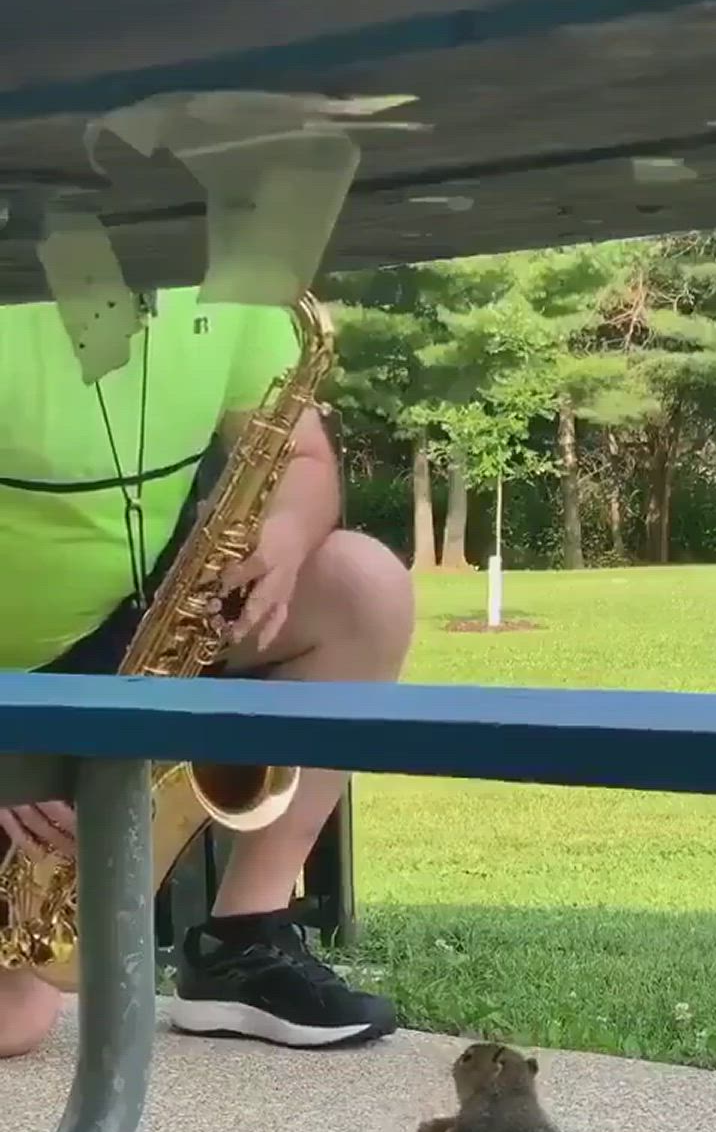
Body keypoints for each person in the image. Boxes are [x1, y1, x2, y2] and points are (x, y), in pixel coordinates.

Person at [0, 285, 414, 1058]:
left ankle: (243, 940)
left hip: (127, 622)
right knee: (13, 1021)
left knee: (363, 588)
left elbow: (303, 455)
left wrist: (283, 534)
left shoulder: (229, 276)